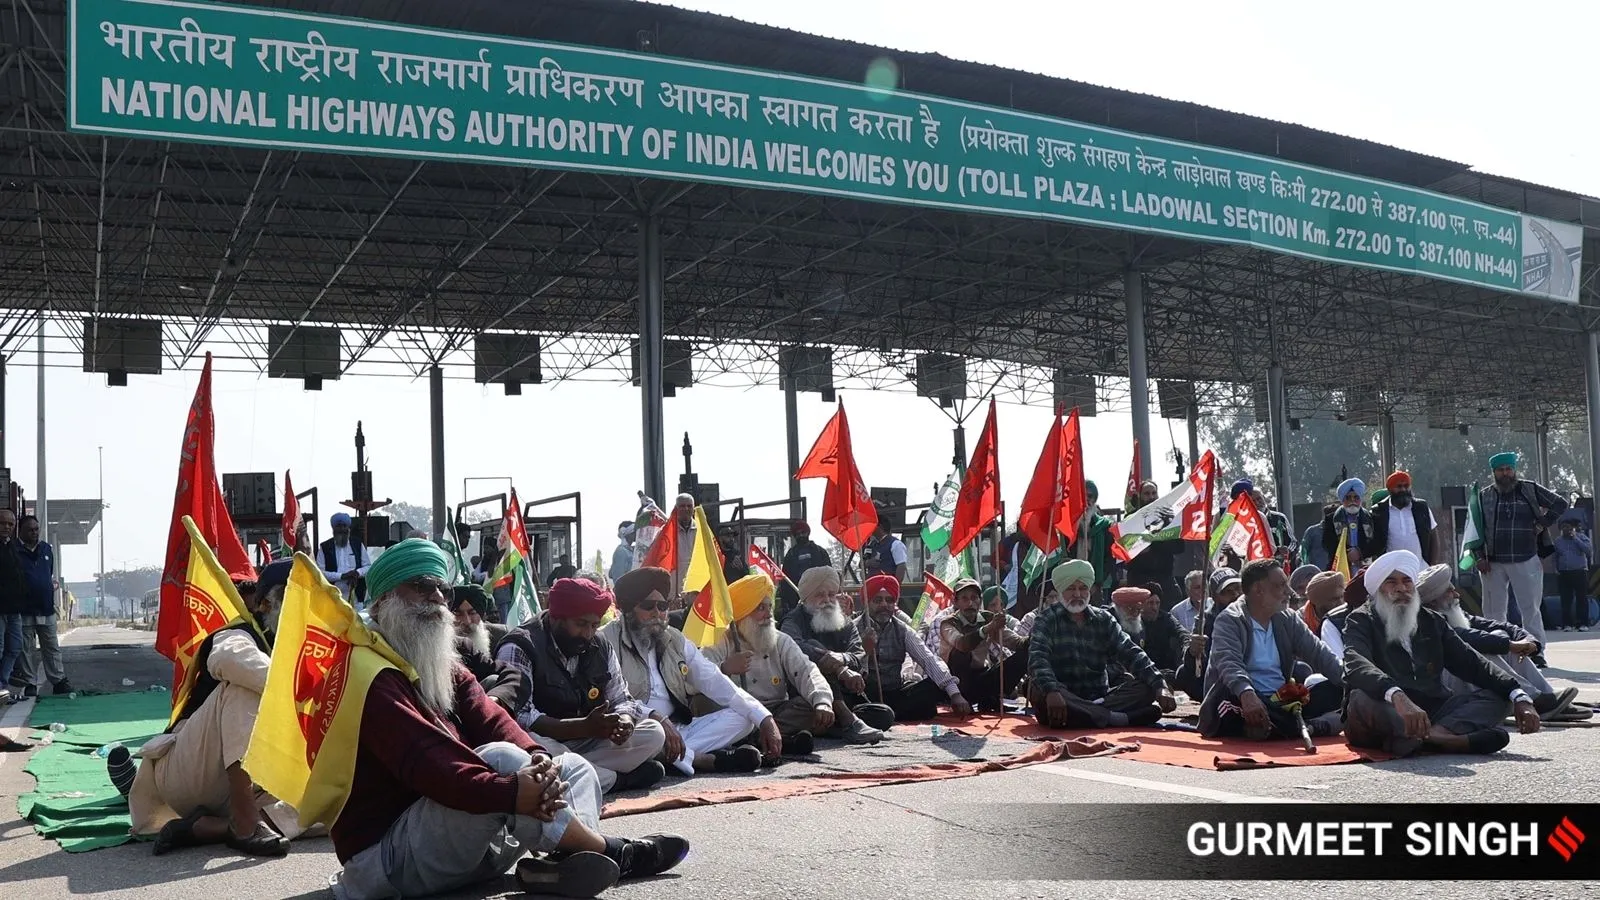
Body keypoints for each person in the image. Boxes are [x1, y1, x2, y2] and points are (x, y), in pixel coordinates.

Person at [330, 539, 687, 899]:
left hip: (462, 848)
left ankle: (563, 864)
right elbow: (429, 764)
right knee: (500, 758)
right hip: (389, 864)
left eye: (442, 588)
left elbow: (491, 717)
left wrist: (538, 758)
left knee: (573, 767)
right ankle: (613, 852)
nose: (438, 598)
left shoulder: (443, 664)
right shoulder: (369, 673)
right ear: (381, 602)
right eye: (422, 586)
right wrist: (512, 788)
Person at [126, 560, 295, 857]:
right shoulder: (238, 634)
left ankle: (215, 827)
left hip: (258, 784)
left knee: (340, 800)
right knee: (241, 685)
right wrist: (297, 694)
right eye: (297, 599)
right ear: (268, 604)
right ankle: (244, 822)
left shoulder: (306, 650)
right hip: (191, 770)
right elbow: (229, 660)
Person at [1342, 550, 1542, 758]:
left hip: (1433, 712)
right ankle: (1447, 740)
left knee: (1500, 698)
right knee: (1361, 699)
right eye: (1391, 582)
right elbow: (1356, 663)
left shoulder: (1432, 621)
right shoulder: (1360, 620)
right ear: (1377, 589)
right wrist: (1397, 695)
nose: (1401, 588)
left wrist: (1519, 696)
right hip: (1389, 708)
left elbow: (1472, 663)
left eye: (1407, 581)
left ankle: (1433, 737)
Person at [493, 578, 669, 794]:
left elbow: (622, 698)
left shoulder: (600, 644)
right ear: (557, 617)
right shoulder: (521, 645)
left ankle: (577, 774)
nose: (587, 634)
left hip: (590, 742)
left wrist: (624, 721)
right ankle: (617, 780)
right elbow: (519, 715)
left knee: (654, 733)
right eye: (581, 624)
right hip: (547, 742)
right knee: (526, 746)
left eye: (594, 625)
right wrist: (581, 726)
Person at [602, 568, 780, 774]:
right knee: (652, 735)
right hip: (638, 729)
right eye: (648, 606)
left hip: (679, 730)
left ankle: (674, 757)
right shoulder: (607, 641)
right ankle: (701, 760)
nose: (657, 614)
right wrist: (657, 719)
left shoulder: (674, 640)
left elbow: (713, 679)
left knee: (746, 717)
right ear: (629, 609)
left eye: (663, 606)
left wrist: (765, 718)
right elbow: (615, 702)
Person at [1413, 564, 1585, 721]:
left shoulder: (1455, 612)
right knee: (1485, 647)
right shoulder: (1427, 622)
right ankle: (1533, 699)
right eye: (1450, 591)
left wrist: (1527, 640)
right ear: (1434, 600)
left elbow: (1496, 625)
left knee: (1499, 634)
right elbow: (1465, 637)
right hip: (1449, 686)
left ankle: (1547, 697)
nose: (1457, 594)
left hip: (1472, 680)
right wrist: (1510, 645)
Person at [1198, 559, 1343, 739]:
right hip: (1243, 699)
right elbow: (1230, 665)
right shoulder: (1230, 620)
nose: (1289, 592)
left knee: (1337, 690)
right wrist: (1247, 695)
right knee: (1230, 697)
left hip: (1280, 700)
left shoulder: (1288, 619)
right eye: (1281, 585)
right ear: (1259, 590)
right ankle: (1306, 726)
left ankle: (1297, 727)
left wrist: (1354, 683)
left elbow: (1319, 653)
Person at [1028, 560, 1176, 728]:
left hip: (1099, 697)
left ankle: (1090, 714)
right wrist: (1052, 691)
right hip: (1061, 697)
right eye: (1071, 588)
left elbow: (1131, 652)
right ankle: (1114, 718)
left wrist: (1159, 685)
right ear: (1061, 591)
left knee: (1147, 687)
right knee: (1038, 689)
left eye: (1082, 588)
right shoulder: (1047, 619)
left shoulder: (1103, 619)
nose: (1077, 594)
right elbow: (1037, 659)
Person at [705, 573, 835, 756]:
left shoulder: (780, 640)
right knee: (731, 719)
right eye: (760, 608)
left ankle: (760, 739)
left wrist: (822, 702)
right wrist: (724, 668)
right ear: (742, 613)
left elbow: (806, 670)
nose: (768, 615)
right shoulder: (721, 641)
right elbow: (696, 678)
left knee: (809, 707)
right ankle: (776, 740)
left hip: (777, 712)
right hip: (738, 714)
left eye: (769, 607)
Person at [778, 565, 886, 743]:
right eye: (820, 594)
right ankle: (847, 721)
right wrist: (839, 669)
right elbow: (794, 649)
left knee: (884, 716)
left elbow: (858, 654)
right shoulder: (793, 620)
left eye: (831, 594)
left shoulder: (844, 622)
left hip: (844, 695)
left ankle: (831, 724)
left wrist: (842, 658)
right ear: (806, 598)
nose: (827, 600)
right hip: (807, 695)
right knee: (816, 655)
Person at [1475, 452, 1567, 646]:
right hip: (1493, 562)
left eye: (1509, 469)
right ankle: (1497, 650)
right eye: (1501, 470)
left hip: (1526, 558)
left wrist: (1543, 523)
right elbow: (1474, 530)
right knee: (1493, 611)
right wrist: (1479, 557)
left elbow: (1560, 503)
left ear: (1514, 470)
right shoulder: (1484, 496)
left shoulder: (1529, 489)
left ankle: (1536, 651)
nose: (1505, 473)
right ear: (1494, 472)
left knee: (1530, 609)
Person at [856, 574, 973, 723]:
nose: (884, 605)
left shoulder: (903, 630)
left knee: (932, 688)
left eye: (889, 600)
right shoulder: (853, 628)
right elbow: (850, 668)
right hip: (864, 694)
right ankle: (881, 715)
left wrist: (955, 694)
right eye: (878, 600)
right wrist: (865, 650)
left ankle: (885, 715)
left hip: (894, 692)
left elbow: (928, 659)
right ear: (866, 603)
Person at [937, 583, 1026, 713]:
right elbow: (962, 644)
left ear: (980, 601)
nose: (970, 603)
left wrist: (1033, 640)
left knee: (1023, 655)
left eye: (974, 598)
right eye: (965, 599)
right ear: (956, 602)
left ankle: (990, 699)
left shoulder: (988, 618)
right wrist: (988, 628)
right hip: (957, 683)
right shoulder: (948, 623)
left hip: (981, 677)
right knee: (961, 654)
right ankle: (962, 700)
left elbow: (1014, 641)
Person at [13, 515, 69, 695]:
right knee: (26, 648)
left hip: (45, 607)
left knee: (51, 646)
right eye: (30, 530)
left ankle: (59, 681)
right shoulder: (13, 550)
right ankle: (30, 683)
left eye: (36, 529)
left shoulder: (46, 549)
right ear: (20, 531)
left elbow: (48, 573)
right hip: (24, 609)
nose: (34, 533)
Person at [451, 585, 527, 717]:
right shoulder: (450, 644)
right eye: (458, 613)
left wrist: (497, 698)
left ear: (482, 614)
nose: (466, 621)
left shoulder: (500, 634)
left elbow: (514, 674)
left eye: (472, 612)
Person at [1368, 471, 1438, 564]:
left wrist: (1432, 566)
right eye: (1399, 486)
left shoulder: (1422, 508)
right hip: (1391, 569)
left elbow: (1434, 537)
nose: (1403, 490)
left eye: (1406, 486)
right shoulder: (1379, 512)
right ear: (1390, 489)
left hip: (1420, 568)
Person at [0, 509, 32, 706]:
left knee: (14, 648)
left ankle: (2, 688)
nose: (7, 527)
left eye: (10, 525)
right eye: (3, 523)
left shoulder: (12, 546)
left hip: (14, 609)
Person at [1070, 483, 1116, 597]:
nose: (1086, 500)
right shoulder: (1068, 526)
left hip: (1097, 587)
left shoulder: (1104, 526)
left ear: (1094, 500)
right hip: (1071, 586)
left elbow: (1110, 558)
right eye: (1082, 496)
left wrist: (1097, 583)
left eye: (1090, 496)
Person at [779, 521, 831, 622]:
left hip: (819, 599)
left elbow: (829, 574)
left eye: (803, 532)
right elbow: (785, 580)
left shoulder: (820, 552)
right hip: (797, 599)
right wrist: (786, 602)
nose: (801, 536)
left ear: (808, 533)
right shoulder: (791, 555)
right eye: (797, 534)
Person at [320, 512, 372, 608]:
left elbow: (368, 566)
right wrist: (342, 576)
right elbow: (320, 573)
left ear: (349, 528)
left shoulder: (357, 544)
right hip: (332, 599)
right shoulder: (325, 547)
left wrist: (357, 573)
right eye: (338, 526)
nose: (341, 529)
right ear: (333, 528)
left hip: (355, 597)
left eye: (344, 526)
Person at [1321, 479, 1372, 570]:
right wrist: (1346, 554)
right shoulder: (1331, 519)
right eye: (1348, 498)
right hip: (1340, 565)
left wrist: (1359, 552)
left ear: (1360, 499)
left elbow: (1377, 543)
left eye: (1356, 497)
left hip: (1366, 565)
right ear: (1342, 500)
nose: (1352, 501)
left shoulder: (1370, 518)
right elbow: (1327, 543)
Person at [1552, 519, 1593, 632]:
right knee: (1565, 600)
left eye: (1568, 527)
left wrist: (1575, 538)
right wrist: (1555, 569)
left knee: (1581, 598)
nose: (1566, 529)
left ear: (1573, 528)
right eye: (1564, 527)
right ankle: (1567, 624)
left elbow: (1588, 551)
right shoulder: (1558, 541)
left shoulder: (1582, 537)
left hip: (1579, 571)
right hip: (1564, 573)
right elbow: (1555, 556)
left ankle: (1583, 623)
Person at [1300, 570, 1345, 639]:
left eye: (1342, 597)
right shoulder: (1299, 622)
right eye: (1334, 599)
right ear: (1318, 602)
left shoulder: (1349, 615)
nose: (1341, 603)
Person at [865, 513, 908, 582]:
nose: (871, 528)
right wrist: (868, 562)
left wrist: (894, 587)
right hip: (872, 587)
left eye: (873, 525)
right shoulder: (871, 544)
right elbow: (861, 564)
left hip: (886, 588)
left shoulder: (896, 544)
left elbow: (901, 566)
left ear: (880, 527)